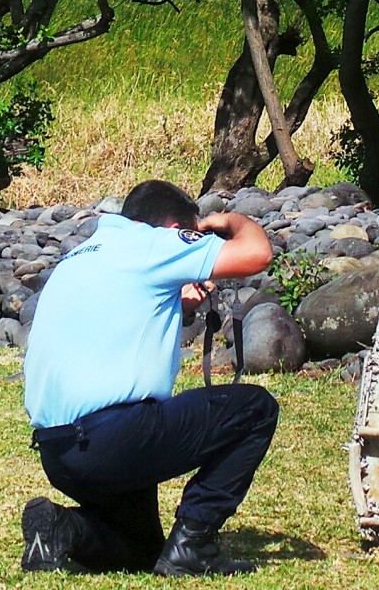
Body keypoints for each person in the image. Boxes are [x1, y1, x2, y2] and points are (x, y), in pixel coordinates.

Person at [21, 180, 279, 575]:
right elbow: (258, 254)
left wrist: (179, 306)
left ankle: (63, 529)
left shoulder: (80, 257)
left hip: (59, 454)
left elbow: (114, 324)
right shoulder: (155, 244)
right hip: (112, 438)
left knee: (141, 551)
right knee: (255, 408)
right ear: (177, 230)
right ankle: (194, 542)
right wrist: (232, 219)